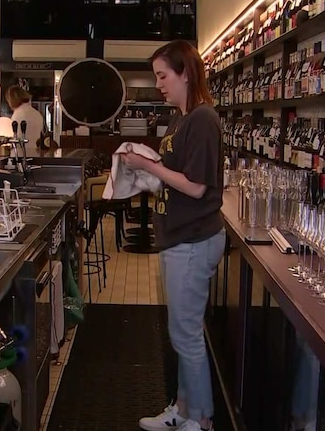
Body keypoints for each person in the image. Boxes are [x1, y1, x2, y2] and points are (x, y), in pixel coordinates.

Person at [120, 40, 225, 431]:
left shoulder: (202, 119)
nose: (159, 84)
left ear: (185, 73)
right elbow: (177, 178)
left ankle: (200, 418)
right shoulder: (181, 119)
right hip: (180, 236)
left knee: (186, 335)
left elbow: (197, 186)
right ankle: (183, 409)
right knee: (183, 332)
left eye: (163, 76)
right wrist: (146, 175)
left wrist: (149, 164)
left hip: (193, 240)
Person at [6, 85, 44, 151]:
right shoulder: (37, 114)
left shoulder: (17, 115)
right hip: (36, 153)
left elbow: (15, 139)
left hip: (20, 153)